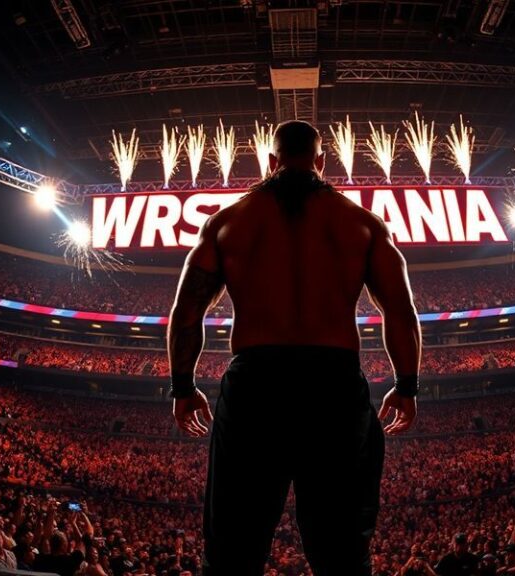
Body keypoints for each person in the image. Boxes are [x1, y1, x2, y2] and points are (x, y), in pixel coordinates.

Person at [168, 119, 421, 576]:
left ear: (271, 161)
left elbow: (186, 314)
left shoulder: (227, 222)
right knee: (342, 547)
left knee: (232, 545)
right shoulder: (362, 224)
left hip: (256, 386)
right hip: (333, 386)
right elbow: (401, 313)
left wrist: (182, 386)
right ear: (322, 161)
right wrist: (407, 385)